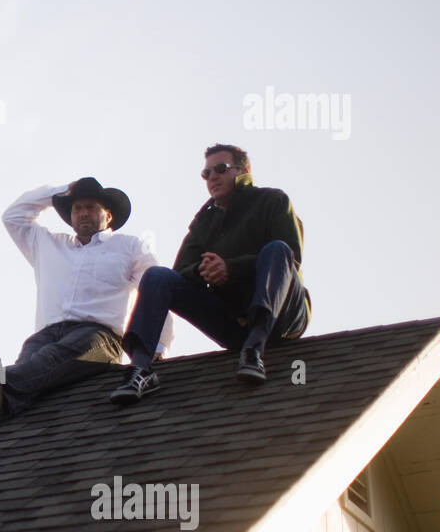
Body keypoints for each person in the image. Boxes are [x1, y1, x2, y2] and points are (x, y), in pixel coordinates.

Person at [0, 177, 173, 427]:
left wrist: (159, 345)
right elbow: (12, 217)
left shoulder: (129, 246)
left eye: (91, 207)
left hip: (99, 337)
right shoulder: (47, 244)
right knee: (33, 369)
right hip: (45, 334)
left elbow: (155, 289)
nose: (83, 213)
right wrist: (58, 192)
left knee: (48, 359)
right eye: (77, 208)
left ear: (108, 216)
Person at [109, 144, 310, 405]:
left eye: (220, 169)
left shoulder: (273, 201)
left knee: (276, 249)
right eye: (206, 174)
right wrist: (204, 271)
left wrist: (231, 267)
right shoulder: (204, 222)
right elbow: (180, 273)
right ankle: (141, 368)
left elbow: (291, 255)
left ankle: (255, 350)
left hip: (282, 317)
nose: (212, 177)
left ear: (243, 170)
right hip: (235, 324)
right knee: (158, 277)